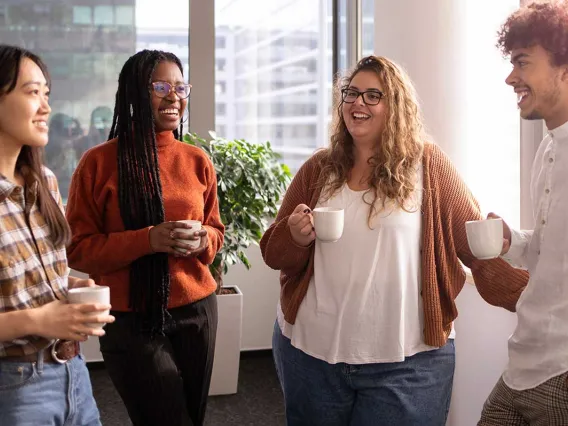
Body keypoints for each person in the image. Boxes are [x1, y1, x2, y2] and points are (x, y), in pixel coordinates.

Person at [260, 55, 529, 426]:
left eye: (373, 95)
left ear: (397, 106)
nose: (358, 103)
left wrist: (535, 299)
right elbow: (273, 252)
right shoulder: (319, 168)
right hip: (310, 354)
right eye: (352, 93)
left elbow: (476, 247)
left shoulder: (429, 167)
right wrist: (293, 236)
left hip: (409, 364)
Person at [65, 50, 224, 426]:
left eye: (180, 87)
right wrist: (147, 240)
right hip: (131, 319)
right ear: (136, 92)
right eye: (161, 86)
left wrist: (203, 240)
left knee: (192, 416)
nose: (174, 96)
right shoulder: (98, 163)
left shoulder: (196, 159)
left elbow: (216, 231)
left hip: (197, 310)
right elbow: (79, 249)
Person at [0, 44, 114, 425]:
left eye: (46, 94)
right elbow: (32, 313)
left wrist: (71, 286)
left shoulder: (44, 182)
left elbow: (35, 276)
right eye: (33, 93)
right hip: (13, 388)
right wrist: (37, 321)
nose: (46, 107)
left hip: (72, 372)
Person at [478, 2, 568, 425]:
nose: (511, 77)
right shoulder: (547, 146)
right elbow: (550, 250)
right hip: (525, 360)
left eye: (522, 63)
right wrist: (515, 241)